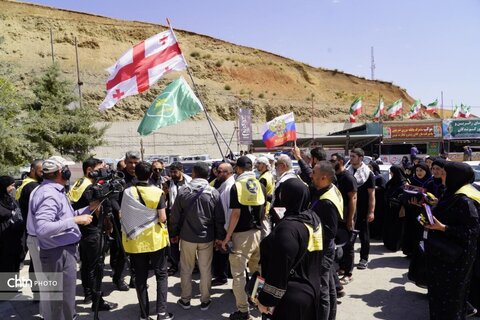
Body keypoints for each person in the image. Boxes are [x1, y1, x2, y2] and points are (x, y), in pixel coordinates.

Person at [29, 156, 95, 320]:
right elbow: (43, 228)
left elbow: (65, 216)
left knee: (64, 300)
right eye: (67, 169)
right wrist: (74, 220)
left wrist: (90, 208)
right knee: (59, 302)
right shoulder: (49, 194)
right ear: (61, 172)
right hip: (57, 253)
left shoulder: (53, 190)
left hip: (61, 251)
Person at [256, 178, 322, 320]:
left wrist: (265, 300)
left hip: (289, 297)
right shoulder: (312, 218)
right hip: (312, 289)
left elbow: (280, 266)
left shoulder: (288, 228)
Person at [424, 162, 480, 319]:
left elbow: (472, 231)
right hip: (442, 256)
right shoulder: (451, 193)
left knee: (451, 300)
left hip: (454, 261)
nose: (441, 176)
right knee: (439, 296)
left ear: (455, 176)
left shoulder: (465, 200)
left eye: (444, 173)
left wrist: (443, 228)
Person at [120, 161, 174, 320]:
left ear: (135, 174)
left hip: (135, 242)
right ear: (151, 174)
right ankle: (162, 313)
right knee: (161, 276)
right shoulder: (158, 192)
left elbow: (124, 215)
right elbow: (163, 217)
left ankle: (144, 315)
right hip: (155, 240)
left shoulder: (127, 192)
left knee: (140, 278)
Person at [170, 162, 225, 311]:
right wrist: (220, 237)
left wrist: (173, 234)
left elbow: (174, 216)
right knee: (206, 269)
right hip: (207, 238)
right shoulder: (213, 192)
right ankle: (205, 300)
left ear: (193, 173)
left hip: (187, 237)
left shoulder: (183, 190)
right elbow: (219, 218)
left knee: (186, 269)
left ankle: (185, 300)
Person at [68, 157, 119, 310]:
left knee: (86, 264)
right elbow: (95, 207)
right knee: (96, 266)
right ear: (90, 170)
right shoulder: (90, 186)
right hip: (92, 230)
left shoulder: (81, 182)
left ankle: (89, 294)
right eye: (100, 168)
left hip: (83, 229)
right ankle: (97, 301)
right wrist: (107, 224)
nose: (104, 171)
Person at [221, 156, 266, 320]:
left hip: (241, 235)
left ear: (238, 169)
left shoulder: (236, 187)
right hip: (257, 233)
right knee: (257, 271)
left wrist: (227, 237)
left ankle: (243, 311)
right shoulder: (261, 184)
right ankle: (256, 300)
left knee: (239, 274)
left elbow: (235, 214)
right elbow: (264, 211)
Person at [311, 161, 344, 319]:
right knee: (329, 284)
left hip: (323, 248)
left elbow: (329, 232)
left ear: (323, 177)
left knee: (323, 289)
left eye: (314, 174)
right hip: (327, 247)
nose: (311, 176)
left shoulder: (326, 202)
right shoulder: (330, 187)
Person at [330, 153, 357, 285]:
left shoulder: (348, 177)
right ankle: (342, 268)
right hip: (337, 217)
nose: (330, 162)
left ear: (340, 161)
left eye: (333, 160)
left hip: (347, 216)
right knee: (339, 243)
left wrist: (350, 219)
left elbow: (353, 199)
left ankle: (349, 273)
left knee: (348, 246)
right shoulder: (334, 177)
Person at [346, 148, 375, 270]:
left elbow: (372, 195)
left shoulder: (368, 174)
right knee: (348, 234)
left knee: (364, 235)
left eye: (353, 156)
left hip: (362, 209)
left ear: (360, 158)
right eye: (350, 156)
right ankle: (347, 259)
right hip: (349, 209)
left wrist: (371, 211)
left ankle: (364, 258)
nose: (351, 158)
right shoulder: (347, 172)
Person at [165, 161, 192, 276]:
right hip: (173, 214)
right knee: (174, 241)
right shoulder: (167, 183)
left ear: (181, 171)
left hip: (186, 214)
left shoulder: (190, 182)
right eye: (171, 172)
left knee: (188, 241)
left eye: (175, 172)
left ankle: (191, 264)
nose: (173, 174)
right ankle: (174, 264)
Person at [212, 162, 235, 286]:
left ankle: (223, 277)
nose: (217, 173)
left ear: (228, 173)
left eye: (220, 171)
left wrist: (225, 234)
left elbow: (230, 212)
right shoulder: (224, 185)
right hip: (224, 227)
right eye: (217, 170)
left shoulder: (229, 188)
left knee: (224, 254)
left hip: (226, 228)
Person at [403, 162, 433, 257]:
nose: (419, 172)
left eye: (421, 170)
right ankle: (410, 251)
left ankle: (421, 252)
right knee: (411, 231)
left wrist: (422, 203)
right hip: (411, 210)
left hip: (425, 211)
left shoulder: (431, 182)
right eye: (417, 170)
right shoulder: (411, 181)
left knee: (422, 233)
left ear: (426, 171)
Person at [0, 176, 24, 277]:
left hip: (14, 236)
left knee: (14, 261)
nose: (13, 188)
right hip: (3, 236)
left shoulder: (10, 199)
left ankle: (12, 287)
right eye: (11, 186)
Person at [383, 165, 408, 252]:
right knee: (389, 226)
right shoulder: (392, 182)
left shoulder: (404, 184)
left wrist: (403, 208)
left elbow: (405, 198)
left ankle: (395, 245)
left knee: (397, 228)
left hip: (398, 210)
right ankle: (388, 242)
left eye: (392, 172)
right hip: (389, 209)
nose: (390, 173)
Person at [368, 161, 386, 240]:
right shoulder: (368, 176)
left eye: (370, 167)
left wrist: (374, 188)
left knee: (377, 218)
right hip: (370, 200)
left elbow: (383, 188)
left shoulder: (379, 177)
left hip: (378, 201)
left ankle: (378, 235)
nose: (369, 169)